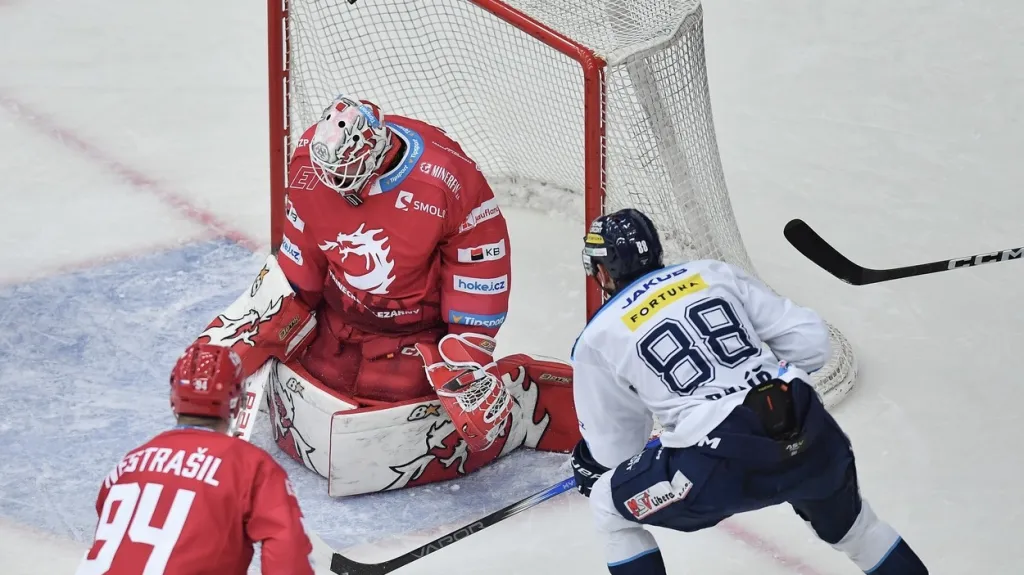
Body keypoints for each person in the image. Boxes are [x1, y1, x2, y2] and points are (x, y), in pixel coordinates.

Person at [191, 93, 579, 496]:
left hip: (412, 336)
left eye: (346, 174)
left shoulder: (445, 177)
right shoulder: (310, 161)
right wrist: (282, 310)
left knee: (404, 409)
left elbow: (478, 262)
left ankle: (518, 408)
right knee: (308, 378)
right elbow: (302, 250)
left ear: (375, 151)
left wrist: (466, 348)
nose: (337, 188)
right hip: (340, 320)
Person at [569, 208, 928, 575]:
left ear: (601, 271)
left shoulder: (597, 338)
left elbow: (616, 452)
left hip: (715, 463)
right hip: (808, 427)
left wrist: (591, 466)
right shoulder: (709, 272)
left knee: (607, 503)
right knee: (860, 531)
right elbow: (813, 345)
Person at [75, 343, 314, 575]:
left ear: (173, 398)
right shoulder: (251, 467)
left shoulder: (129, 463)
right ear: (239, 402)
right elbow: (287, 553)